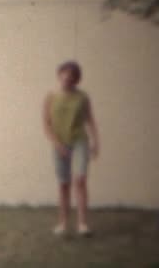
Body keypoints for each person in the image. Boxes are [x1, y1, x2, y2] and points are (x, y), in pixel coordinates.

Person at [43, 61, 100, 236]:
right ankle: (63, 224)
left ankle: (82, 224)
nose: (67, 78)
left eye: (72, 75)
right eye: (64, 74)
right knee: (63, 184)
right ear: (59, 75)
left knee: (80, 180)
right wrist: (57, 144)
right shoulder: (51, 97)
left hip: (79, 142)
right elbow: (46, 124)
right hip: (59, 143)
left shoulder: (83, 97)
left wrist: (96, 142)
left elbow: (90, 120)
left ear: (76, 79)